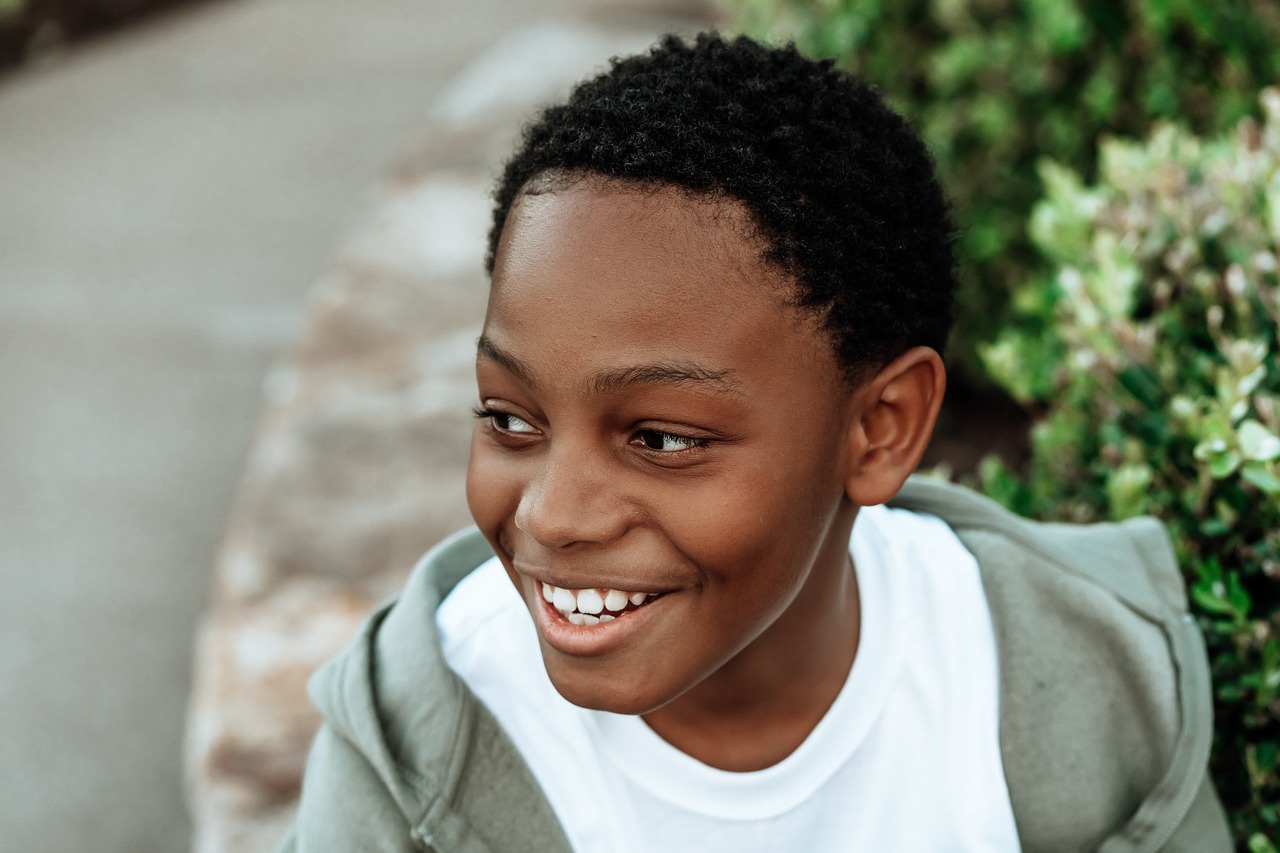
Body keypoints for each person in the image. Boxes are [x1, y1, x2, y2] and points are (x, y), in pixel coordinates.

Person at [280, 33, 1230, 852]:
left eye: (660, 437)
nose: (554, 514)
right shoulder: (414, 753)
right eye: (510, 419)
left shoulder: (1087, 680)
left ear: (879, 428)